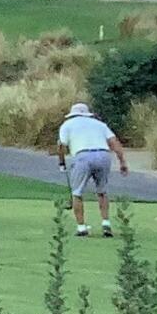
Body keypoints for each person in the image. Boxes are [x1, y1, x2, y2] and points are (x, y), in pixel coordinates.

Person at [59, 99, 128, 237]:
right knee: (102, 191)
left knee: (77, 193)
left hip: (82, 156)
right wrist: (122, 162)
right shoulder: (100, 124)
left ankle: (81, 227)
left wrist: (62, 163)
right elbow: (114, 143)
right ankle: (106, 224)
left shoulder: (67, 125)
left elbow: (61, 145)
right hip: (103, 155)